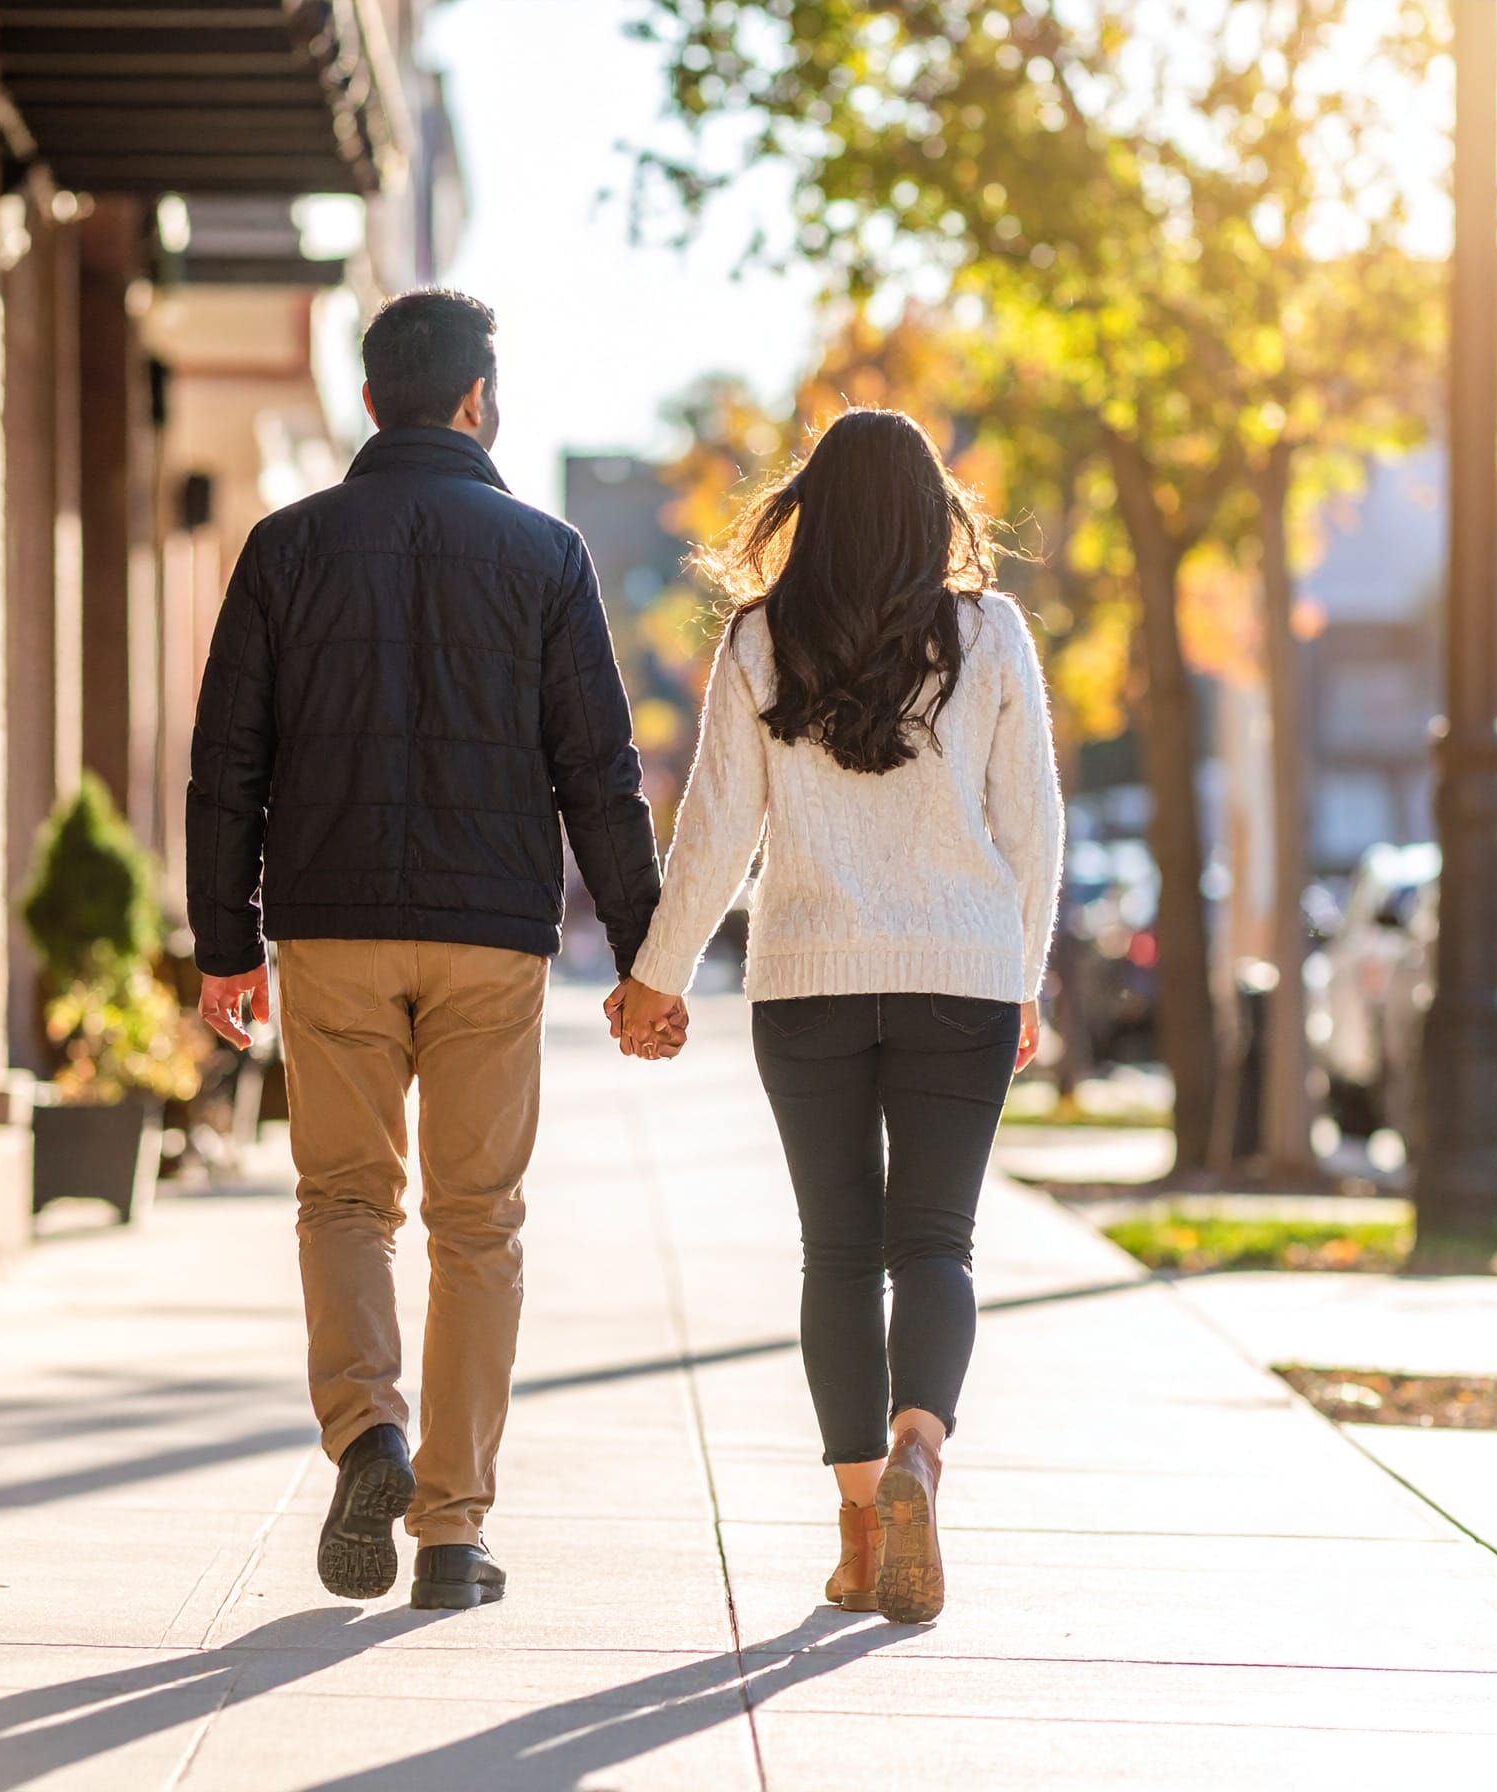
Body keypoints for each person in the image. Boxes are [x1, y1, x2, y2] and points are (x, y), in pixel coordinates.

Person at [188, 290, 674, 1612]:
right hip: (489, 938)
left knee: (344, 1201)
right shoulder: (546, 554)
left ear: (367, 404)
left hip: (331, 926)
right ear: (476, 400)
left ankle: (369, 1439)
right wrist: (648, 954)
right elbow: (601, 773)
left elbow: (226, 761)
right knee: (479, 1225)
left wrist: (223, 942)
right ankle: (451, 1535)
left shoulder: (286, 550)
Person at [613, 408, 1064, 1624]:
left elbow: (714, 830)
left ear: (811, 510)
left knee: (837, 1251)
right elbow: (1035, 829)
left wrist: (655, 976)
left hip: (808, 978)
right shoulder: (993, 634)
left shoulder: (762, 640)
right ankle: (922, 1448)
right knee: (937, 1243)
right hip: (960, 976)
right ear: (933, 513)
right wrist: (1022, 975)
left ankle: (864, 1533)